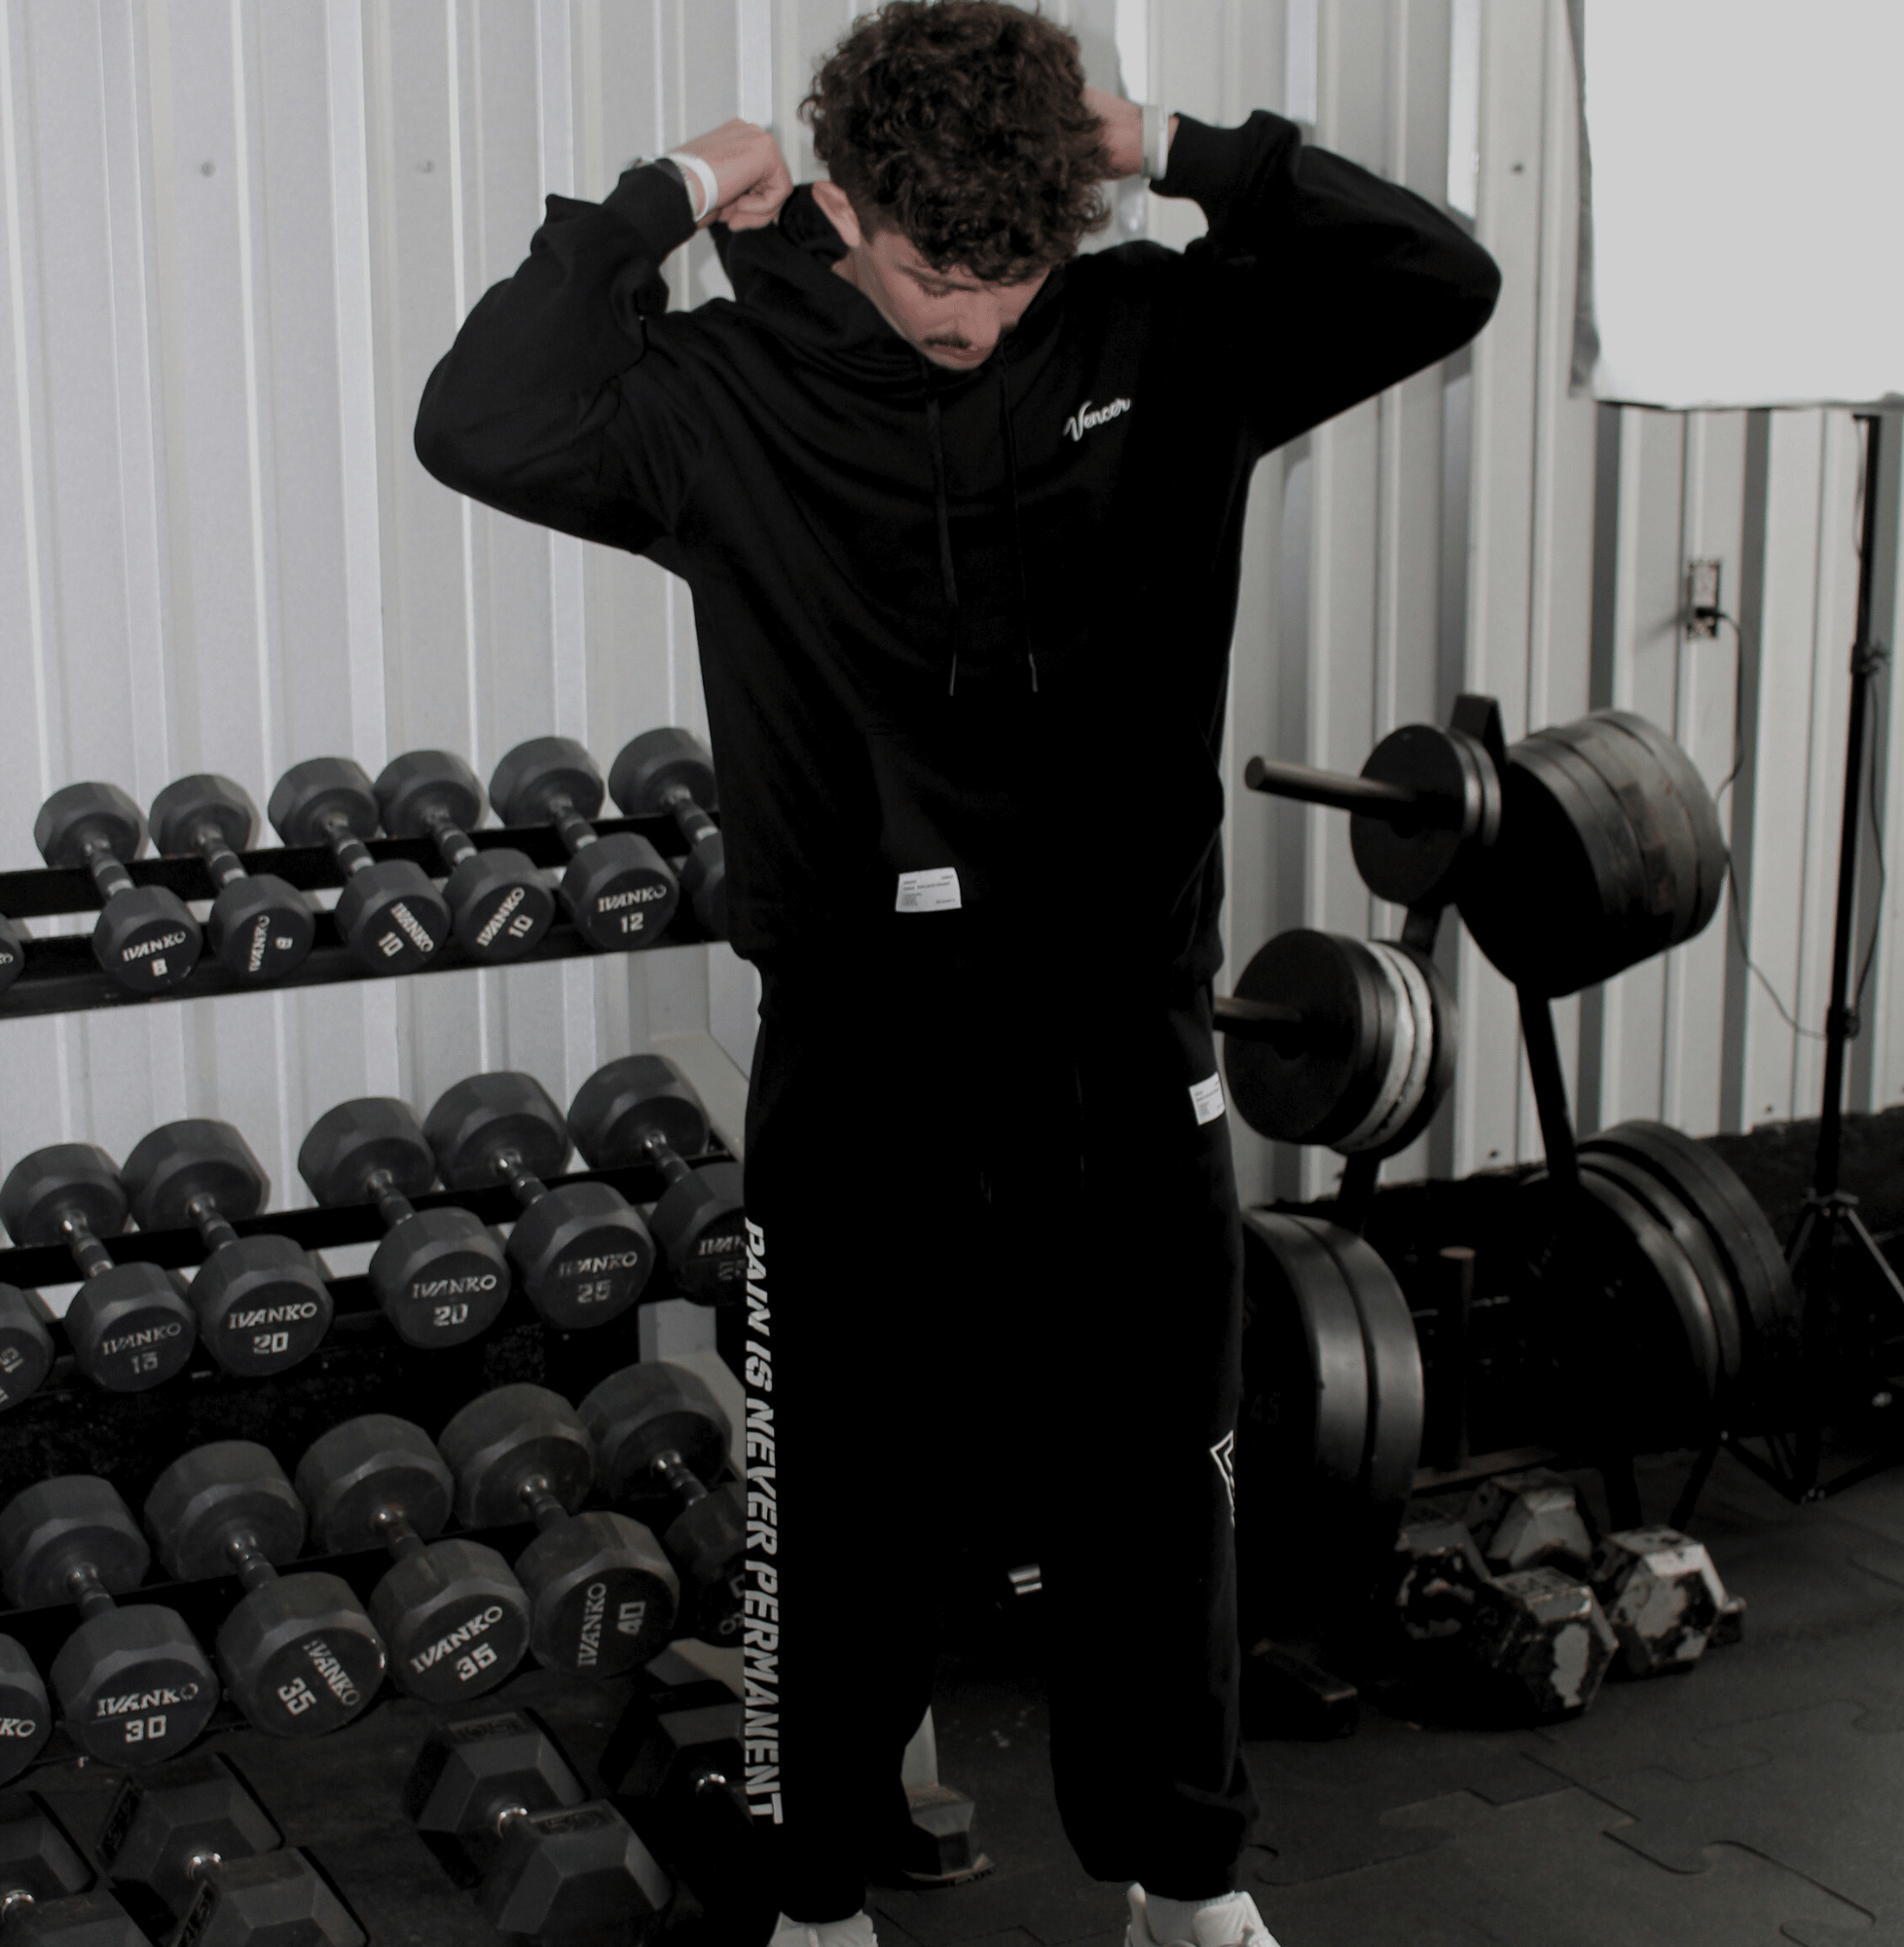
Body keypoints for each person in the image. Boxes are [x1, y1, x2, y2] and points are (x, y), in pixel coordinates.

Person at [415, 5, 1499, 1943]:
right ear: (842, 211)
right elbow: (476, 416)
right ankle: (816, 1893)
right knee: (843, 1499)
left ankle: (1183, 1880)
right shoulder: (725, 392)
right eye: (935, 273)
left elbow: (1439, 275)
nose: (978, 316)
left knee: (1160, 1490)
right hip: (869, 1054)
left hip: (1124, 1045)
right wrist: (667, 192)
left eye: (1016, 270)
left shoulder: (1159, 341)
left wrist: (1175, 146)